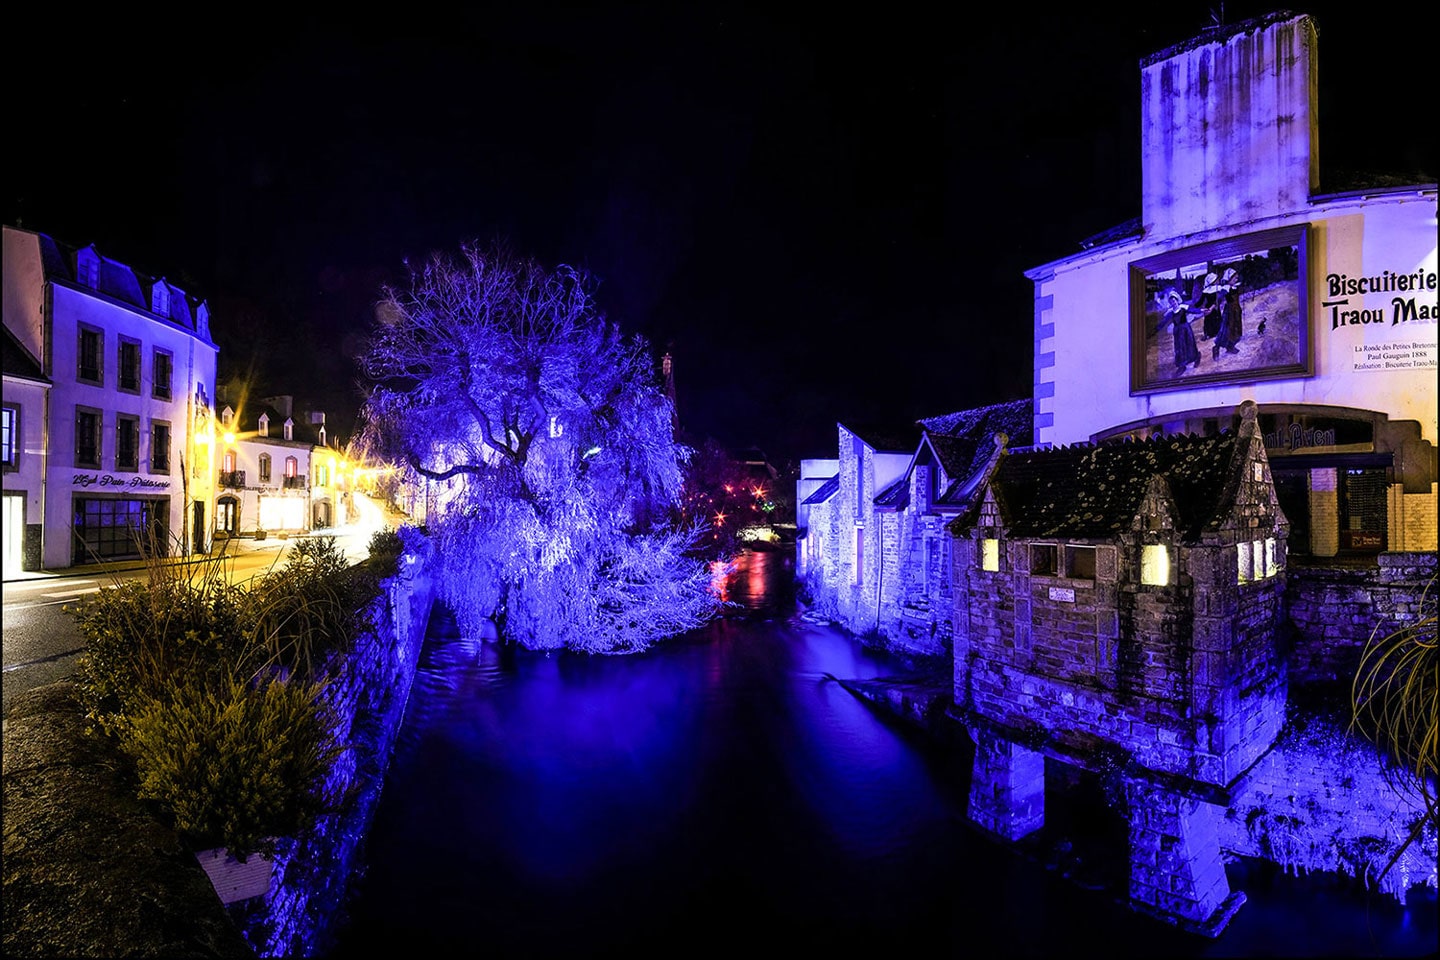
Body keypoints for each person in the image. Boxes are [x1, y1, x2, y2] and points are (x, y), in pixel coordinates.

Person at [1159, 288, 1201, 373]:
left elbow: (1193, 310)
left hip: (1186, 329)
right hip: (1177, 331)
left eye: (1174, 301)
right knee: (1179, 347)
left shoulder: (1183, 307)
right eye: (1171, 302)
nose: (1173, 303)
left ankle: (1196, 357)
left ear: (1177, 300)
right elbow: (1164, 322)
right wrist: (1156, 328)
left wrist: (1201, 310)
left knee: (1189, 344)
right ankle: (1182, 365)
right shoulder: (1171, 312)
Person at [1213, 284, 1243, 358]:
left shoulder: (1236, 286)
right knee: (1226, 331)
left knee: (1235, 331)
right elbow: (1219, 298)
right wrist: (1214, 306)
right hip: (1229, 311)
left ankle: (1230, 346)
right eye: (1234, 277)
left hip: (1236, 310)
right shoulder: (1226, 288)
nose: (1236, 279)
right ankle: (1216, 348)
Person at [1197, 271, 1223, 340]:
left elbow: (1218, 299)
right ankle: (1209, 334)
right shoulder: (1206, 290)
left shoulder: (1218, 288)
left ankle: (1217, 333)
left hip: (1215, 307)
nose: (1218, 281)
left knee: (1216, 320)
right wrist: (1195, 307)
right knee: (1208, 321)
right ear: (1213, 281)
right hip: (1208, 307)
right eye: (1216, 279)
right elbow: (1201, 301)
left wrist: (1211, 307)